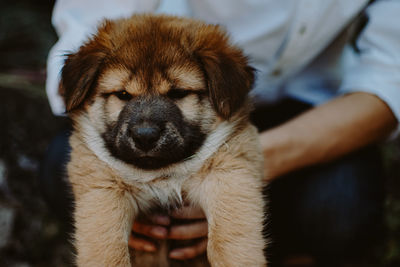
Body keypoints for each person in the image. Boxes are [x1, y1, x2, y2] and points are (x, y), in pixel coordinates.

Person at [42, 0, 400, 265]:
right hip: (161, 60)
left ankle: (292, 252)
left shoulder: (218, 73)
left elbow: (391, 78)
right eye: (124, 95)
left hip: (304, 107)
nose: (146, 126)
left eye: (177, 93)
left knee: (338, 203)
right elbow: (83, 34)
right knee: (61, 167)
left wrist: (245, 167)